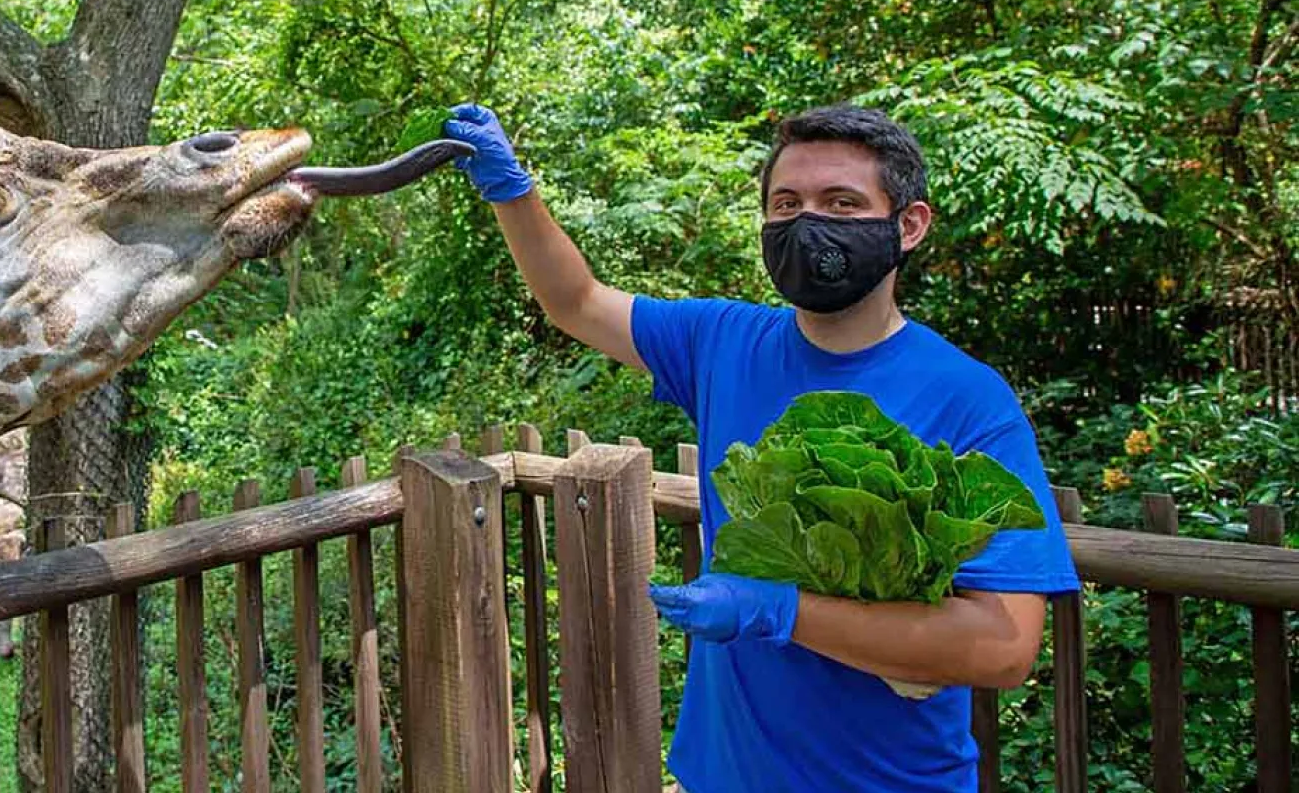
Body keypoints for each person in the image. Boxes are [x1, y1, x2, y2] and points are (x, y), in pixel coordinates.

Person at [442, 102, 1080, 792]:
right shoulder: (721, 341)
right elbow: (577, 301)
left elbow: (1006, 645)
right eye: (786, 203)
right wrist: (514, 192)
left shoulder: (969, 399)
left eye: (841, 201)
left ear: (909, 225)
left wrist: (780, 611)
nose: (807, 222)